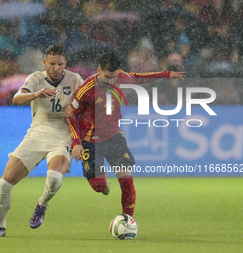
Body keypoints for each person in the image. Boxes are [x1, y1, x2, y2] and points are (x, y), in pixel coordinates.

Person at [65, 52, 184, 217]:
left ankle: (128, 221)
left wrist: (166, 74)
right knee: (98, 185)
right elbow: (71, 116)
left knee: (127, 182)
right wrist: (76, 143)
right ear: (98, 70)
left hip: (113, 137)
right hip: (90, 142)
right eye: (107, 77)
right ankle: (102, 183)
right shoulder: (85, 90)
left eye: (114, 77)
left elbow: (139, 77)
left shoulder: (121, 77)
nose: (111, 81)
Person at [0, 45, 83, 237]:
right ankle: (0, 226)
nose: (56, 68)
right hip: (36, 134)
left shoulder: (74, 79)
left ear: (65, 64)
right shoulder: (36, 78)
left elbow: (87, 102)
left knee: (55, 179)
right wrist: (37, 94)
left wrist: (75, 109)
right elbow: (17, 98)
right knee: (5, 184)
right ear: (44, 63)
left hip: (62, 135)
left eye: (60, 64)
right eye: (52, 63)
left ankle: (42, 205)